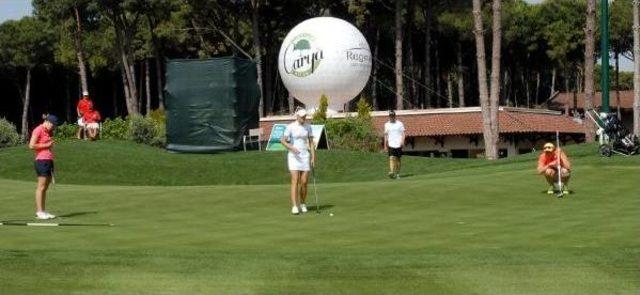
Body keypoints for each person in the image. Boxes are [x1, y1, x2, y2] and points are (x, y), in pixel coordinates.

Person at [280, 108, 316, 215]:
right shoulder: (290, 126)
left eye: (305, 116)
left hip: (305, 156)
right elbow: (282, 140)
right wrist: (291, 147)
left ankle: (303, 203)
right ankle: (295, 206)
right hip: (293, 156)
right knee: (295, 180)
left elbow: (311, 143)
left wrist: (313, 157)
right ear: (297, 116)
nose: (303, 118)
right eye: (301, 116)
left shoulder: (308, 127)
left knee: (304, 181)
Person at [28, 114, 58, 220]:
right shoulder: (38, 130)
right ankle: (39, 211)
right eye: (53, 125)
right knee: (41, 187)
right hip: (41, 161)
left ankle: (43, 211)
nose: (53, 128)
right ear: (48, 122)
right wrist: (47, 145)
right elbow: (31, 145)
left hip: (48, 161)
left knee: (45, 187)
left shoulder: (47, 131)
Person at [384, 110, 405, 179]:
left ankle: (398, 174)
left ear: (395, 116)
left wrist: (402, 141)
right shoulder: (386, 124)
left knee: (398, 160)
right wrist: (385, 145)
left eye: (393, 116)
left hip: (398, 144)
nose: (391, 117)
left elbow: (403, 133)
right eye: (390, 116)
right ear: (389, 116)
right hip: (391, 144)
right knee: (391, 157)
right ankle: (392, 171)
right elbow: (386, 135)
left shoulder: (400, 124)